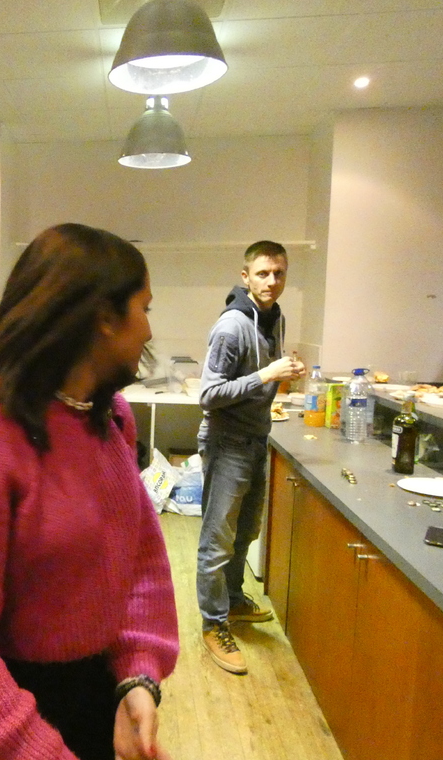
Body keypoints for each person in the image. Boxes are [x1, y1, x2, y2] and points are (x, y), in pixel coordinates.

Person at [0, 224, 179, 760]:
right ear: (103, 317)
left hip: (92, 696)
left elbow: (137, 560)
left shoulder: (109, 418)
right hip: (5, 713)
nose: (149, 329)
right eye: (144, 308)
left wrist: (136, 675)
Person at [196, 240, 306, 675]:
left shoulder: (275, 318)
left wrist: (283, 374)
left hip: (257, 438)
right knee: (217, 539)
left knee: (246, 531)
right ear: (245, 277)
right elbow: (208, 394)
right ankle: (213, 623)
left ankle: (234, 600)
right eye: (262, 273)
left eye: (279, 273)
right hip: (227, 444)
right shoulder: (232, 326)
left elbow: (259, 381)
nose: (272, 281)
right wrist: (266, 374)